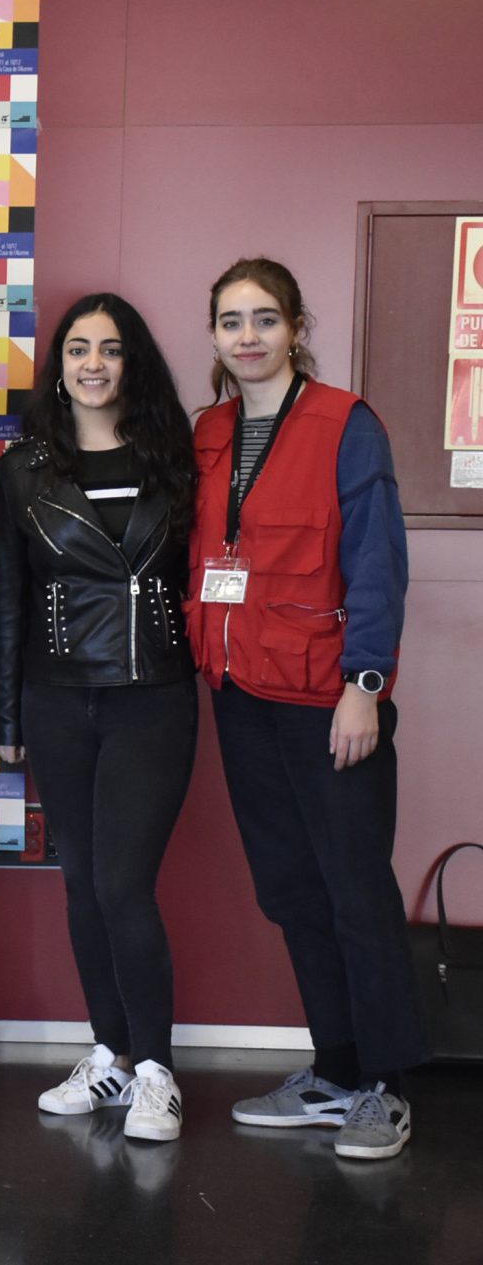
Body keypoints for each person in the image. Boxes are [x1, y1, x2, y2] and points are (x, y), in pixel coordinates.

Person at [189, 258, 424, 1160]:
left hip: (330, 701)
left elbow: (377, 561)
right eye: (231, 321)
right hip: (242, 696)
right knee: (291, 889)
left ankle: (386, 1088)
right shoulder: (210, 431)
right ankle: (336, 1072)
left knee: (355, 889)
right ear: (214, 335)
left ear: (295, 327)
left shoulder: (345, 423)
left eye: (264, 319)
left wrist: (365, 687)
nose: (248, 336)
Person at [0, 293, 199, 1140]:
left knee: (122, 884)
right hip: (57, 699)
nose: (94, 364)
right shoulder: (24, 468)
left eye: (110, 349)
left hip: (152, 697)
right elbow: (8, 596)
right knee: (81, 881)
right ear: (60, 364)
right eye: (79, 348)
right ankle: (110, 1053)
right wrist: (6, 717)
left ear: (132, 361)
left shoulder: (176, 456)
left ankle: (156, 1071)